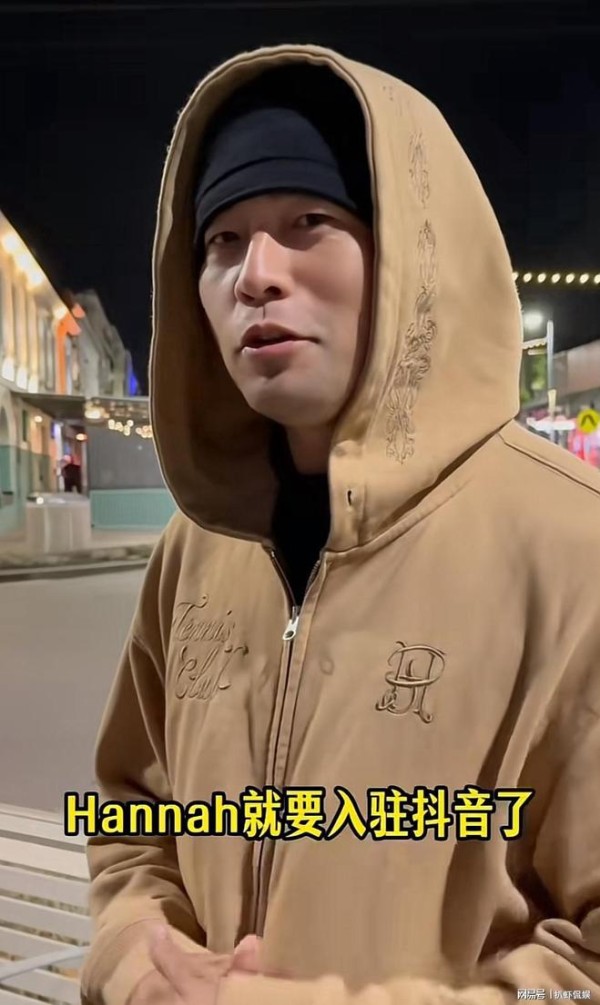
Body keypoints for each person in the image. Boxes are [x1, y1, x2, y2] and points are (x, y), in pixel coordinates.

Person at [81, 43, 600, 1005]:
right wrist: (139, 961)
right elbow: (133, 820)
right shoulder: (197, 546)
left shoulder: (574, 553)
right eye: (222, 241)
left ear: (411, 256)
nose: (256, 274)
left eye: (308, 222)